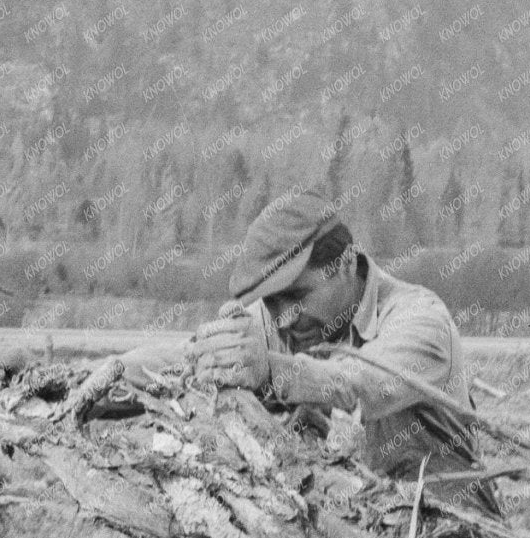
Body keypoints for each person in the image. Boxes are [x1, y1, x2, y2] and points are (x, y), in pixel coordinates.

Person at [192, 189, 498, 511]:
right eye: (271, 301)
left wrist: (272, 372)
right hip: (349, 527)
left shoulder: (422, 320)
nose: (284, 318)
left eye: (298, 297)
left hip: (445, 531)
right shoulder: (277, 320)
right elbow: (182, 357)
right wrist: (210, 353)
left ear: (346, 263)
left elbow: (357, 383)